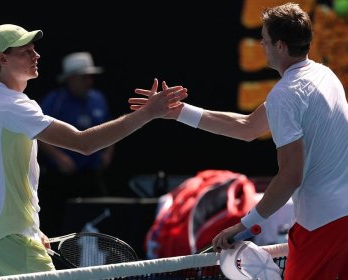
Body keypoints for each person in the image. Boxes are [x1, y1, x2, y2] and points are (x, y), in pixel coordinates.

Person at [131, 3, 348, 279]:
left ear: (280, 46)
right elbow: (247, 127)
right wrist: (179, 113)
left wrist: (245, 225)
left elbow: (291, 175)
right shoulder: (324, 75)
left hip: (322, 226)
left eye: (265, 40)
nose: (261, 44)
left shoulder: (287, 94)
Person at [0, 24, 187, 277]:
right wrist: (149, 113)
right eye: (26, 51)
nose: (37, 56)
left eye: (34, 49)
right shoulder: (9, 106)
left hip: (3, 238)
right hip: (10, 239)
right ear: (3, 58)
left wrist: (32, 227)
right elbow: (84, 143)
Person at [38, 52, 114, 237]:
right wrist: (59, 157)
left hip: (91, 176)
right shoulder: (54, 102)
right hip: (61, 180)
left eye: (90, 77)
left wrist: (107, 153)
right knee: (57, 225)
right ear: (70, 79)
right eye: (84, 77)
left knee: (102, 220)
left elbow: (111, 126)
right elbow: (37, 133)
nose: (89, 82)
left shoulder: (98, 98)